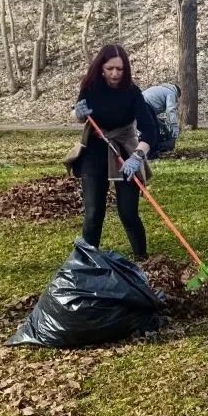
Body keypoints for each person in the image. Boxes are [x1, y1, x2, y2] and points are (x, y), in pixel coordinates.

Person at [64, 44, 158, 260]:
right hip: (95, 150)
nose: (115, 73)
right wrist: (77, 113)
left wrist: (136, 157)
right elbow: (79, 112)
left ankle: (142, 260)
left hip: (124, 150)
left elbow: (150, 130)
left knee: (128, 212)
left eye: (120, 69)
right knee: (94, 212)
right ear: (101, 68)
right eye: (110, 68)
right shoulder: (90, 87)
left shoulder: (132, 93)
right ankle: (87, 262)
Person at [142, 82, 181, 153]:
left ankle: (152, 149)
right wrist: (174, 126)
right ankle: (152, 151)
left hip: (141, 102)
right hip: (145, 105)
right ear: (177, 93)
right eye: (177, 98)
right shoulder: (171, 93)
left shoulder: (162, 89)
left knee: (154, 126)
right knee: (153, 130)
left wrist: (160, 123)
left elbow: (152, 112)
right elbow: (170, 110)